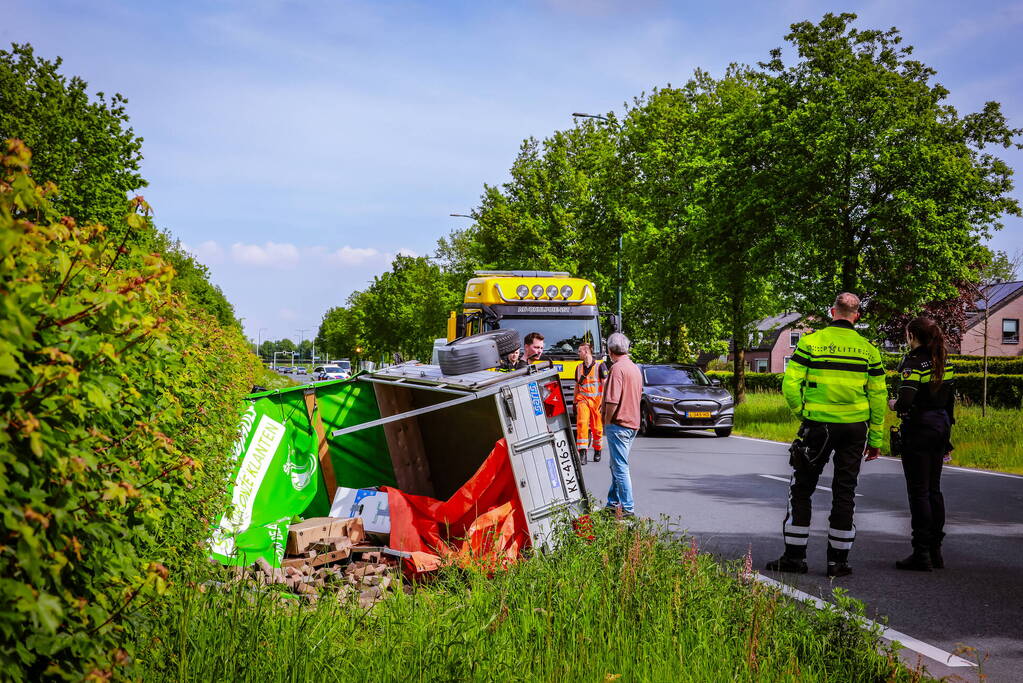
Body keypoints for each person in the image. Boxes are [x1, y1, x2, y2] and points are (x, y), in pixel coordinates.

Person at [766, 292, 886, 578]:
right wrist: (877, 438)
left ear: (833, 311)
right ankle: (838, 562)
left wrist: (803, 413)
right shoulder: (869, 350)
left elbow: (790, 384)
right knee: (845, 492)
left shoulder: (810, 343)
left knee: (802, 488)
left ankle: (795, 557)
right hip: (855, 429)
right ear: (856, 315)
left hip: (818, 426)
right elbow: (878, 395)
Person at [890, 317, 955, 571]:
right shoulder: (943, 360)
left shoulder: (914, 362)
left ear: (912, 335)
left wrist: (894, 404)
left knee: (918, 491)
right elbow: (950, 400)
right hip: (941, 427)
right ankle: (936, 549)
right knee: (934, 490)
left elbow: (906, 401)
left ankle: (921, 553)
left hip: (919, 429)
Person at [601, 332, 643, 518]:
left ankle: (627, 508)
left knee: (619, 466)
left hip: (618, 423)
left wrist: (606, 422)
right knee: (616, 465)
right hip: (632, 422)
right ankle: (612, 502)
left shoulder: (617, 369)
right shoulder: (634, 368)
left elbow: (612, 400)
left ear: (610, 351)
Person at [574, 342, 608, 465]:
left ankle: (597, 450)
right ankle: (582, 452)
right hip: (583, 400)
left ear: (586, 352)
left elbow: (605, 385)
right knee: (582, 424)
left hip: (597, 402)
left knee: (597, 428)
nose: (578, 353)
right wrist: (574, 402)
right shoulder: (578, 367)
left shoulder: (600, 366)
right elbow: (577, 386)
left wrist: (603, 403)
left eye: (579, 351)